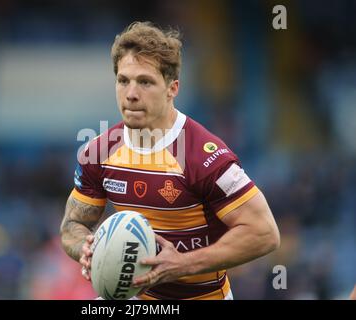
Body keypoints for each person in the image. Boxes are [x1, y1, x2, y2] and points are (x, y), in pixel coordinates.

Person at [60, 21, 280, 300]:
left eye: (145, 81)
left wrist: (183, 264)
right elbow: (71, 226)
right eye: (123, 80)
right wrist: (86, 248)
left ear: (172, 88)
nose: (131, 94)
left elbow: (264, 234)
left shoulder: (204, 157)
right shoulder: (99, 152)